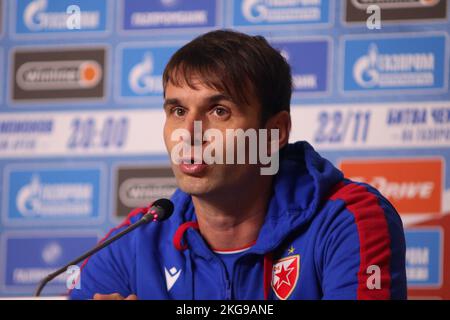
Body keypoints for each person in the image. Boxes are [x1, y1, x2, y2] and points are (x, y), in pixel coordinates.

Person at [70, 30, 407, 300]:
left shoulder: (348, 220)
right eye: (178, 111)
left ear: (274, 133)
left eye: (219, 111)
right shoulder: (134, 242)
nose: (189, 133)